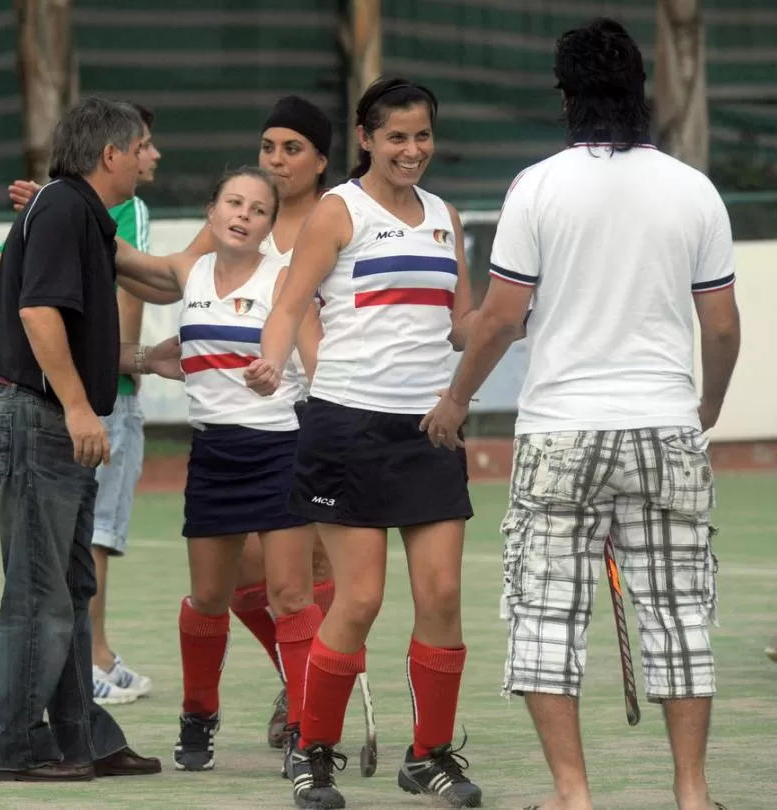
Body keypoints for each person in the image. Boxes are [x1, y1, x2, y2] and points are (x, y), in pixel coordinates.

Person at [421, 18, 739, 810]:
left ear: (566, 97)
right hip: (665, 423)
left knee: (546, 615)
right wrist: (706, 404)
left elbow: (499, 318)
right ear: (642, 92)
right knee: (678, 615)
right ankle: (693, 795)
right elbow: (724, 327)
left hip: (561, 428)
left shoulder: (539, 187)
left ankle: (573, 795)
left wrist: (457, 399)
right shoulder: (693, 189)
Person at [248, 77, 483, 809]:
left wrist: (524, 312)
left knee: (442, 593)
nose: (412, 150)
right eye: (397, 137)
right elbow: (290, 303)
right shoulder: (337, 211)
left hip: (430, 429)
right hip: (346, 425)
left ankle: (429, 756)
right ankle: (313, 751)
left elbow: (460, 324)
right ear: (366, 138)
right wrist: (268, 357)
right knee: (360, 599)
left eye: (423, 136)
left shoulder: (445, 216)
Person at [0, 96, 177, 782]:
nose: (152, 157)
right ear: (110, 154)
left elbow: (166, 277)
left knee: (70, 583)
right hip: (37, 417)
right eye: (142, 146)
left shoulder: (77, 211)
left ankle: (80, 734)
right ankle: (19, 746)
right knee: (40, 592)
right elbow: (35, 309)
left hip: (51, 419)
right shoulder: (64, 207)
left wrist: (237, 234)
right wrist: (80, 409)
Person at [113, 165, 324, 774]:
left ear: (268, 225)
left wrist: (276, 365)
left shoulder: (286, 280)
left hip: (281, 451)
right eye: (234, 203)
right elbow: (122, 253)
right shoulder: (189, 272)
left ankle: (308, 730)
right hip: (214, 456)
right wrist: (57, 200)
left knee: (290, 596)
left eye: (259, 210)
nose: (244, 215)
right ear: (212, 211)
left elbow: (318, 362)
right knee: (211, 596)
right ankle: (198, 712)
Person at [183, 95, 338, 749]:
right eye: (268, 147)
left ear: (322, 160)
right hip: (236, 428)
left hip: (318, 414)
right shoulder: (241, 220)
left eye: (292, 149)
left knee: (312, 581)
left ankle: (311, 702)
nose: (276, 161)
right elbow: (179, 282)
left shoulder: (340, 216)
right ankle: (298, 686)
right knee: (249, 576)